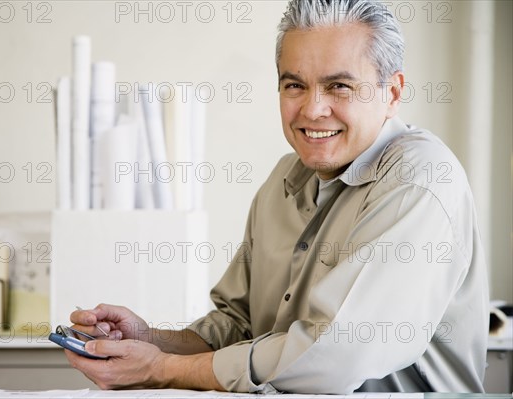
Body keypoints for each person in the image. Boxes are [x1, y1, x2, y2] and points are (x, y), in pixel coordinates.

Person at [64, 0, 489, 393]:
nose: (312, 109)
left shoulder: (420, 179)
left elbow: (338, 354)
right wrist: (153, 341)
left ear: (391, 93)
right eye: (294, 85)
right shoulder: (284, 179)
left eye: (338, 86)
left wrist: (161, 368)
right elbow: (239, 325)